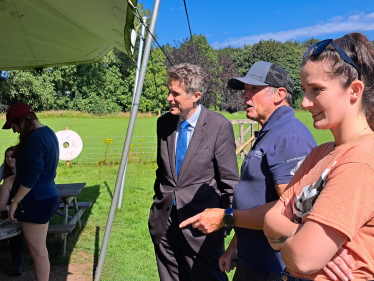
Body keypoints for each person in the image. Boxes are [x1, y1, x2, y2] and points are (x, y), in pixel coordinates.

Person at [180, 61, 318, 281]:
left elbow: (291, 210)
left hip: (275, 269)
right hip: (253, 261)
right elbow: (256, 198)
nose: (245, 96)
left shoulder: (289, 136)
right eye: (245, 90)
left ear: (279, 94)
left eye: (254, 89)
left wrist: (227, 218)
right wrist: (236, 245)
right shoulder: (270, 132)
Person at [264, 33, 374, 281]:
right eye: (304, 90)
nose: (304, 102)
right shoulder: (318, 153)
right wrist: (301, 235)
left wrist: (294, 243)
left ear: (355, 90)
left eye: (317, 90)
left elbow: (303, 259)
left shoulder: (362, 159)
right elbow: (270, 220)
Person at [148, 63, 239, 281]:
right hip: (165, 223)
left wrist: (225, 225)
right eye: (169, 91)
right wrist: (158, 205)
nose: (169, 98)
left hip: (203, 230)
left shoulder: (218, 126)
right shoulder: (164, 123)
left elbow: (230, 183)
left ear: (196, 96)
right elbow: (162, 172)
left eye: (175, 93)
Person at [3, 103, 60, 281]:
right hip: (47, 195)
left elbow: (32, 175)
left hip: (35, 199)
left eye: (14, 126)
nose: (14, 131)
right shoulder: (48, 132)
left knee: (37, 252)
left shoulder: (35, 138)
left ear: (23, 121)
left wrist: (15, 202)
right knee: (40, 249)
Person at [0, 146, 25, 276]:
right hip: (12, 213)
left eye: (12, 156)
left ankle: (17, 259)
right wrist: (11, 207)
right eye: (7, 157)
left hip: (27, 213)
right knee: (14, 223)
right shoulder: (7, 178)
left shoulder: (30, 177)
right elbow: (1, 205)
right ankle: (17, 260)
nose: (9, 159)